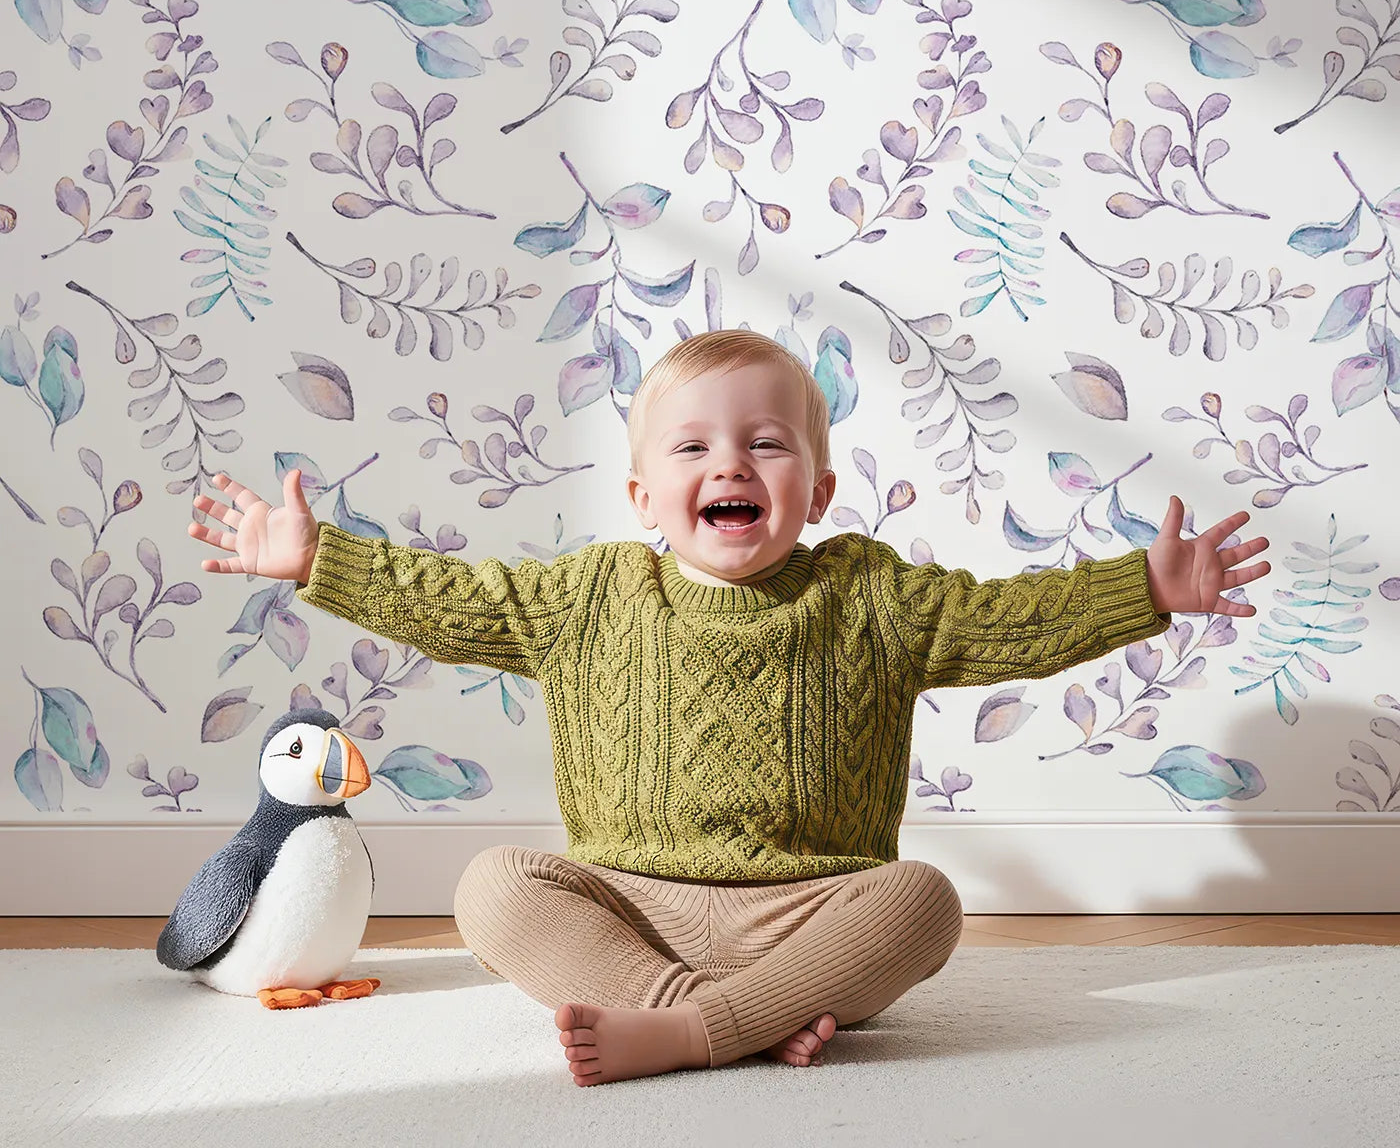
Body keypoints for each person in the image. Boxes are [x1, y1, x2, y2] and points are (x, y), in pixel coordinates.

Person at [187, 328, 1270, 1087]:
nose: (730, 462)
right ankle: (718, 1017)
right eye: (693, 445)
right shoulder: (588, 595)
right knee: (492, 886)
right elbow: (449, 598)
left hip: (808, 914)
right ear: (641, 496)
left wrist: (1146, 588)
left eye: (765, 441)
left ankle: (694, 1027)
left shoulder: (867, 593)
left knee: (924, 900)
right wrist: (316, 556)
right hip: (626, 906)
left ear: (818, 488)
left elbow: (1011, 617)